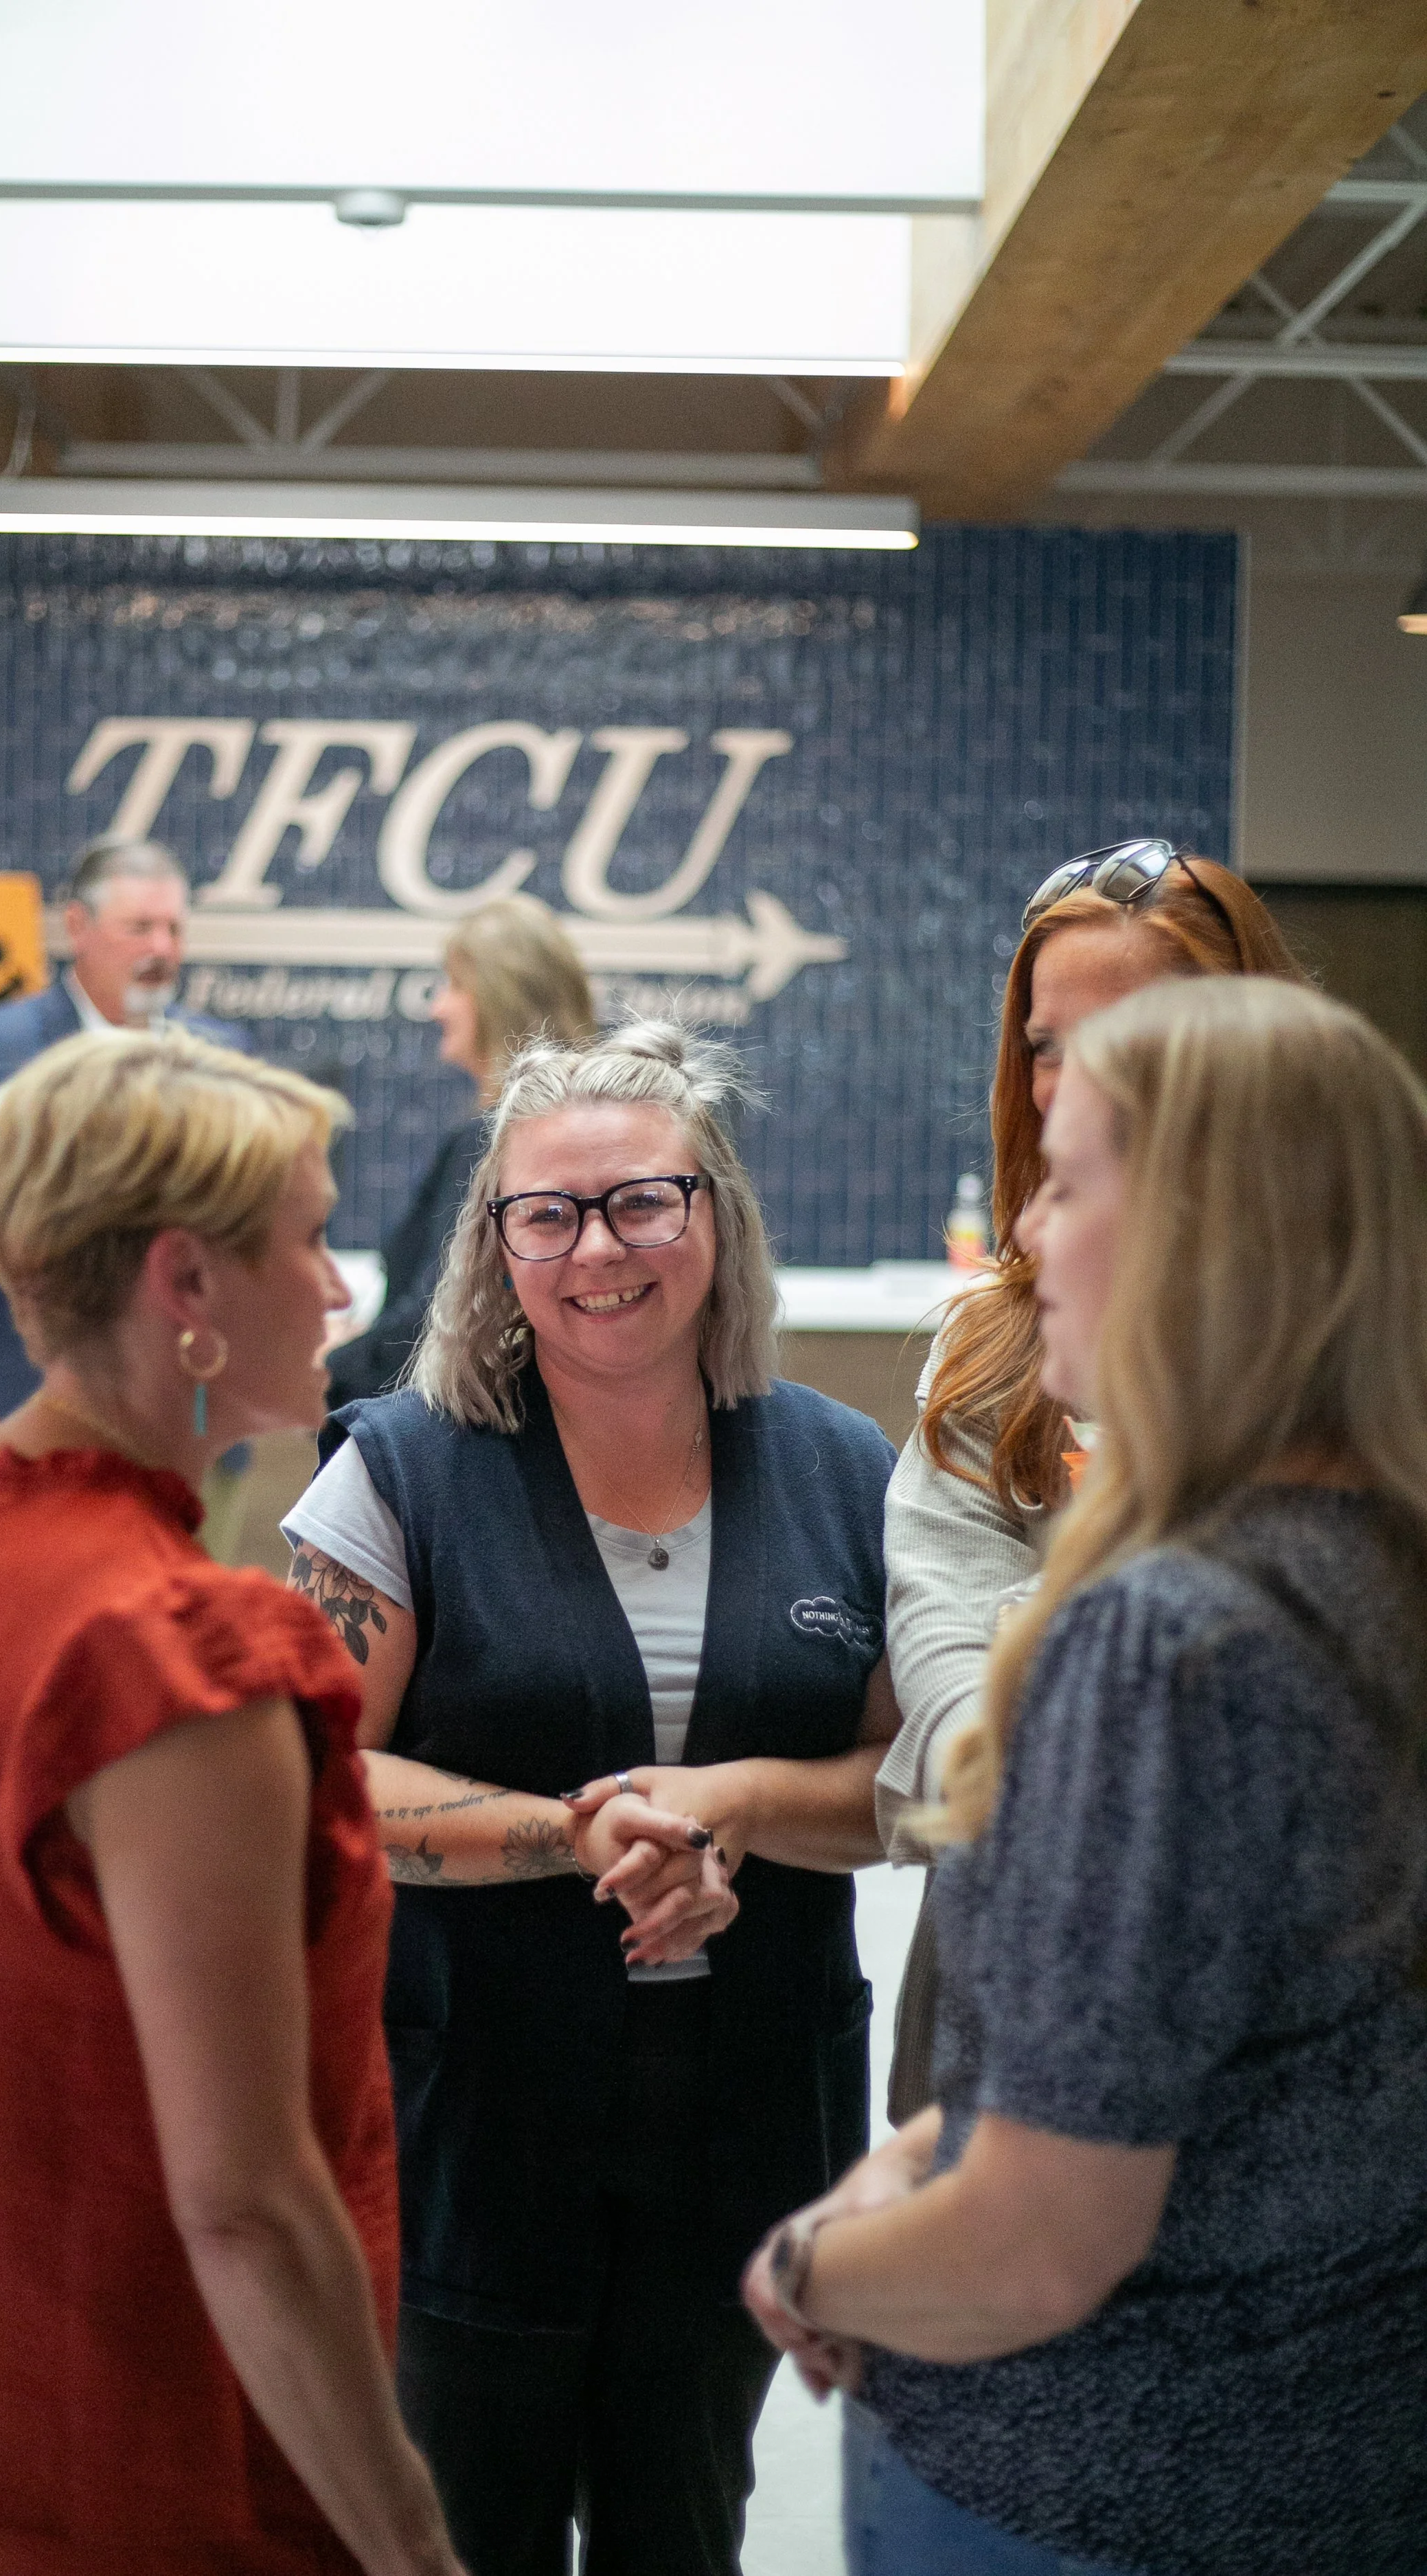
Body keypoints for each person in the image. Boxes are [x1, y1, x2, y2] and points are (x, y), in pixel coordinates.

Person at [746, 976, 1427, 2576]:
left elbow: (1043, 2238)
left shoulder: (1169, 1641)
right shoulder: (1373, 1571)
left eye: (1071, 1179)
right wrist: (915, 2157)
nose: (1028, 1238)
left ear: (1212, 1233)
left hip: (1090, 2488)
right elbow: (1204, 2045)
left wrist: (805, 2266)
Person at [0, 1028, 466, 2576]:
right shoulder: (175, 1661)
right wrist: (410, 2543)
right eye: (307, 1236)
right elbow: (245, 2203)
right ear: (187, 1288)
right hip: (159, 2464)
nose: (343, 1287)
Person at [284, 1021, 900, 2576]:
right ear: (495, 1243)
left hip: (747, 2111)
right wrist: (572, 1831)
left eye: (642, 1199)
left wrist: (741, 1801)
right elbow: (319, 1773)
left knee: (683, 2521)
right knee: (466, 2522)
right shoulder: (396, 1475)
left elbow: (906, 1783)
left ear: (717, 1213)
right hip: (476, 2110)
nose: (595, 1247)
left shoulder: (844, 1469)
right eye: (546, 1213)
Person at [878, 841, 1306, 2116]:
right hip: (1011, 1986)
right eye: (1044, 1041)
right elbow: (943, 1656)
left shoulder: (1347, 1334)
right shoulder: (1000, 1343)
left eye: (1127, 1038)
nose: (1069, 1084)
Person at [0, 836, 247, 1454]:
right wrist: (53, 1198)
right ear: (76, 927)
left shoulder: (221, 1055)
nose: (162, 949)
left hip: (187, 1422)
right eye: (139, 927)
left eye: (174, 929)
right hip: (20, 1415)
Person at [328, 892, 598, 1404]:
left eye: (454, 986)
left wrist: (331, 1370)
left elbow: (443, 1312)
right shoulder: (579, 1130)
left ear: (501, 998)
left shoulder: (498, 1141)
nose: (438, 1007)